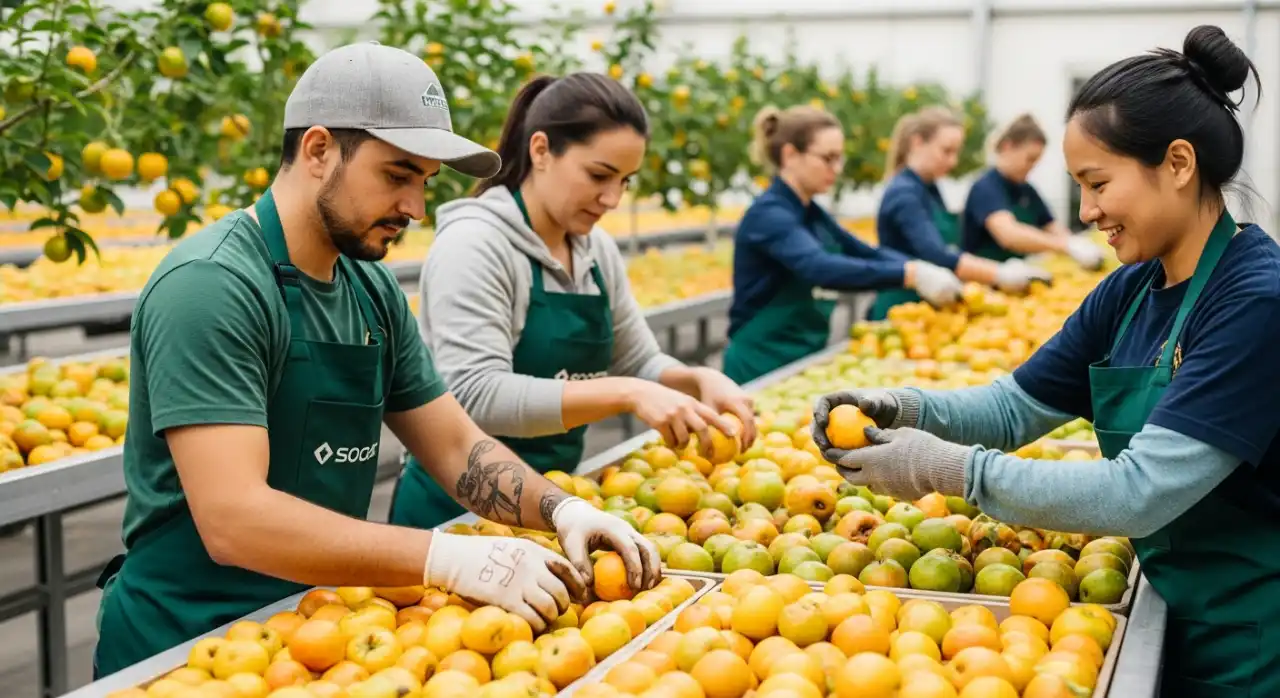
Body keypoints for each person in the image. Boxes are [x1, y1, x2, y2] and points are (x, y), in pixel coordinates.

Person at [92, 44, 658, 678]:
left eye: (424, 182)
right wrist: (445, 558)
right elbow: (235, 520)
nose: (416, 208)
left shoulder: (371, 290)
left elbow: (453, 448)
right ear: (317, 150)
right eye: (397, 175)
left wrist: (563, 510)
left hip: (314, 630)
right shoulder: (212, 285)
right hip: (187, 646)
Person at [813, 25, 1280, 695]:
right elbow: (1014, 408)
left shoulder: (1255, 302)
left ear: (1178, 164)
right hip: (1171, 607)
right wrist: (905, 407)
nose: (1086, 211)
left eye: (1097, 183)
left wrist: (943, 468)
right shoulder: (1130, 289)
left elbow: (1138, 492)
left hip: (1254, 634)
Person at [388, 73, 757, 531]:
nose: (612, 198)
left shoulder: (595, 249)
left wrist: (697, 379)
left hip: (560, 504)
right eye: (599, 175)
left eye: (625, 181)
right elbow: (474, 395)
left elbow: (637, 358)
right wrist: (626, 393)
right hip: (460, 515)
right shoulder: (476, 244)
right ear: (541, 150)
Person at [722, 105, 964, 384]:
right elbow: (819, 267)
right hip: (760, 361)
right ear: (790, 155)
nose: (836, 169)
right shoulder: (770, 214)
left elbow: (861, 250)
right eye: (828, 158)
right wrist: (909, 275)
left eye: (840, 159)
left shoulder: (811, 212)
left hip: (800, 354)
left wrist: (916, 267)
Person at [871, 106, 1050, 320]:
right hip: (898, 309)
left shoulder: (929, 189)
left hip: (928, 309)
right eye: (946, 151)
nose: (953, 161)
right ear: (917, 142)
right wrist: (999, 274)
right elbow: (936, 254)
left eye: (956, 152)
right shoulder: (904, 194)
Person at [961, 113, 1106, 268]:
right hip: (981, 281)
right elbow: (1008, 235)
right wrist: (1065, 246)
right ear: (1007, 147)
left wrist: (1075, 243)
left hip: (1017, 277)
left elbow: (1052, 227)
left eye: (1036, 161)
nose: (1032, 166)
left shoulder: (1027, 190)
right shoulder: (985, 187)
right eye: (1030, 158)